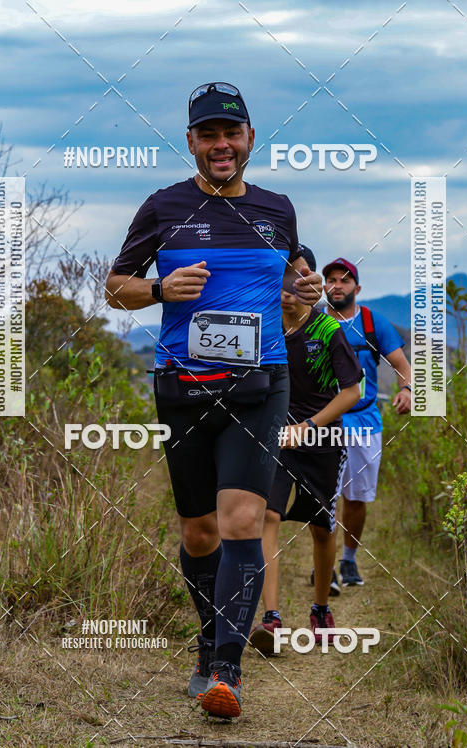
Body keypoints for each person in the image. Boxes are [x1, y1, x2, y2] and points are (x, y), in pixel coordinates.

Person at [105, 82, 322, 719]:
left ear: (250, 139)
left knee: (241, 523)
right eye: (208, 134)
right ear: (192, 142)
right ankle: (207, 642)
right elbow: (115, 289)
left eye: (232, 132)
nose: (221, 144)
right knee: (199, 533)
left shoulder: (279, 210)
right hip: (184, 387)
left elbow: (294, 294)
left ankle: (226, 668)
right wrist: (159, 287)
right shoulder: (162, 208)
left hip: (260, 386)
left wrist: (304, 295)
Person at [250, 245, 362, 655]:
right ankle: (271, 619)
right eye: (281, 279)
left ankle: (319, 610)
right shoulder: (261, 326)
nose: (288, 289)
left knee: (321, 527)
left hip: (322, 439)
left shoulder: (328, 331)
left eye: (298, 279)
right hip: (276, 439)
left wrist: (310, 426)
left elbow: (352, 390)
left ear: (311, 282)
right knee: (268, 515)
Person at [321, 258, 411, 589]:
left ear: (356, 288)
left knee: (356, 498)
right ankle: (324, 564)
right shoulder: (315, 321)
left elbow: (402, 363)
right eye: (330, 279)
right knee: (324, 497)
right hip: (323, 422)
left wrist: (407, 389)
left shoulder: (373, 322)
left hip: (364, 421)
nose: (337, 285)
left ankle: (348, 559)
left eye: (344, 280)